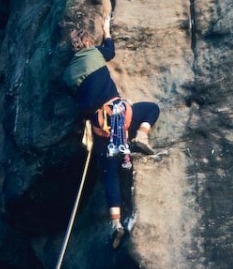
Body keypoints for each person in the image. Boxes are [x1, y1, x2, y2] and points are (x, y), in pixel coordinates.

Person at [63, 14, 160, 248]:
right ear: (87, 44)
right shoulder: (95, 54)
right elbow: (110, 50)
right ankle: (141, 135)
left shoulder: (67, 76)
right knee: (151, 109)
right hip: (120, 114)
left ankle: (116, 223)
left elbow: (78, 102)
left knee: (109, 175)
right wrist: (106, 31)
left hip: (100, 127)